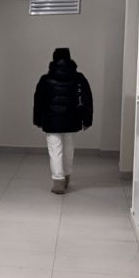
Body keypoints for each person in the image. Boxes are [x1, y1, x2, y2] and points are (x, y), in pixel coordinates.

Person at [33, 48, 93, 194]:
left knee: (55, 151)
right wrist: (87, 120)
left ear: (53, 60)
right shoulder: (79, 78)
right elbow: (87, 100)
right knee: (68, 150)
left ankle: (58, 182)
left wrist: (38, 120)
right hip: (72, 120)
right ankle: (66, 177)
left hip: (51, 120)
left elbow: (38, 102)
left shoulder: (45, 79)